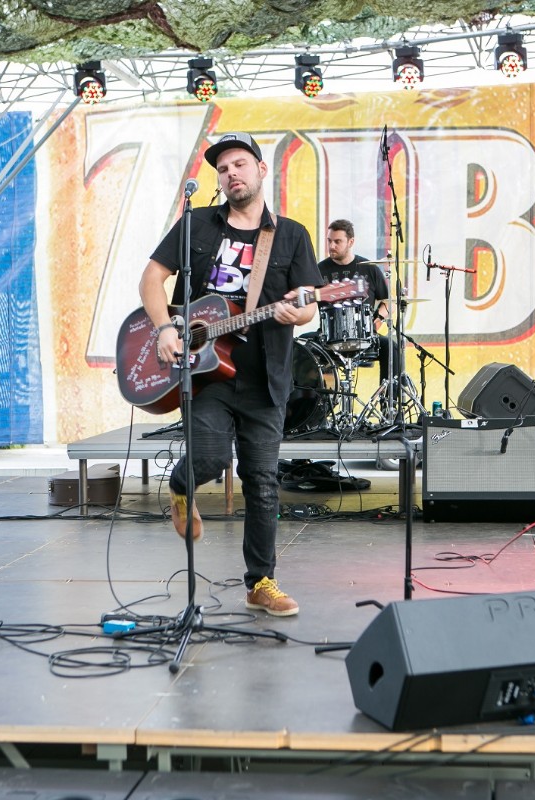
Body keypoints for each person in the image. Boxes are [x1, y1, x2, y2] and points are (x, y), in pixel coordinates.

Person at [140, 132, 323, 617]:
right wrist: (164, 328)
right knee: (211, 457)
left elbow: (309, 304)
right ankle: (182, 486)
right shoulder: (196, 224)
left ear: (261, 170)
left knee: (262, 482)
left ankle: (261, 582)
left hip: (265, 377)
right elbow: (152, 278)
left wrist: (298, 312)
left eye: (240, 164)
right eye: (223, 169)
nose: (231, 174)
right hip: (206, 373)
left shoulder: (291, 235)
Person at [315, 220, 393, 382]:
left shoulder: (369, 268)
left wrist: (379, 319)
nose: (331, 246)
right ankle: (313, 398)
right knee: (300, 347)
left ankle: (388, 396)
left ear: (351, 242)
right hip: (328, 337)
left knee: (392, 347)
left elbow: (388, 302)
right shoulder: (318, 270)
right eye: (329, 241)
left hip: (365, 337)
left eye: (337, 241)